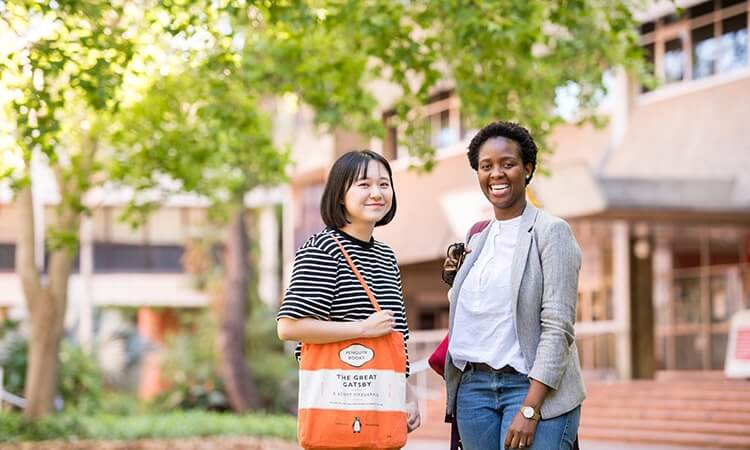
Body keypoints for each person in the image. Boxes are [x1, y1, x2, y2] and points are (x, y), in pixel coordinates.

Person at [444, 122, 585, 450]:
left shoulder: (552, 233)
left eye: (507, 164)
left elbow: (558, 329)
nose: (496, 174)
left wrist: (530, 407)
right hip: (474, 390)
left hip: (532, 388)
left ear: (528, 169)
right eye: (486, 166)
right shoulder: (476, 237)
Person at [277, 149, 420, 440]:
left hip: (380, 404)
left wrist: (408, 392)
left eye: (384, 184)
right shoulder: (323, 248)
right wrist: (362, 328)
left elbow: (396, 338)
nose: (377, 193)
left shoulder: (386, 256)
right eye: (364, 184)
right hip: (338, 402)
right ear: (340, 194)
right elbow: (288, 327)